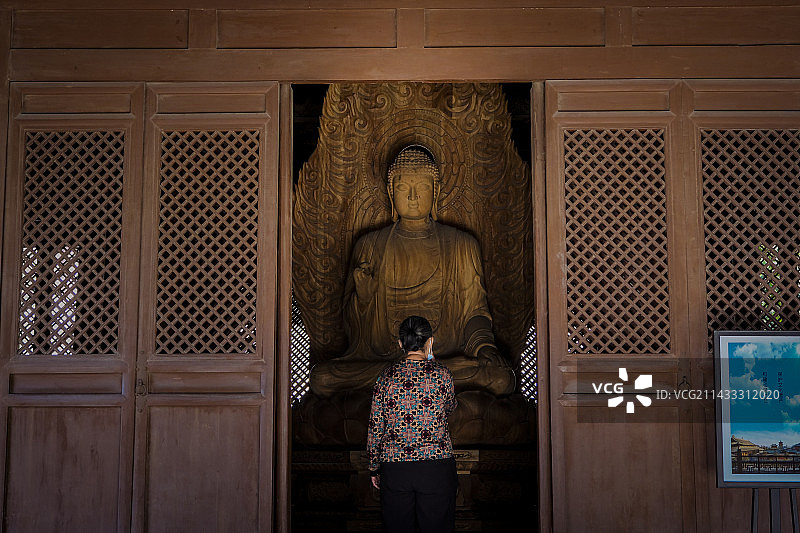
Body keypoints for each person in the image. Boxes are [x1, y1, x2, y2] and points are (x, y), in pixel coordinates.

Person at [310, 146, 515, 397]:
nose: (413, 196)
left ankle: (411, 385)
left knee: (501, 377)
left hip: (444, 362)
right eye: (403, 187)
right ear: (390, 192)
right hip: (385, 363)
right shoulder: (370, 245)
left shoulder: (461, 245)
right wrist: (364, 300)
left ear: (436, 191)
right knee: (322, 378)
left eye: (423, 187)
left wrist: (485, 349)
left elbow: (474, 311)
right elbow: (354, 334)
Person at [367, 315, 458, 533]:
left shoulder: (385, 377)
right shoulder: (442, 375)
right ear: (430, 342)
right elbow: (450, 407)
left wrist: (373, 467)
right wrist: (431, 364)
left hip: (395, 466)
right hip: (436, 465)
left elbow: (375, 425)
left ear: (400, 344)